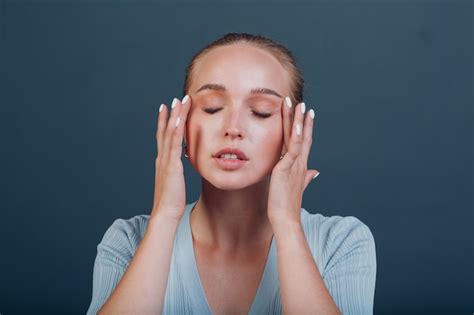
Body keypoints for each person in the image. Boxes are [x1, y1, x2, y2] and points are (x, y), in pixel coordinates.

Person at [86, 32, 377, 315]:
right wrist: (164, 216)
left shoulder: (341, 242)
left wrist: (288, 226)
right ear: (183, 125)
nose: (233, 127)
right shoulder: (127, 240)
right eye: (212, 108)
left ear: (294, 131)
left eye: (261, 111)